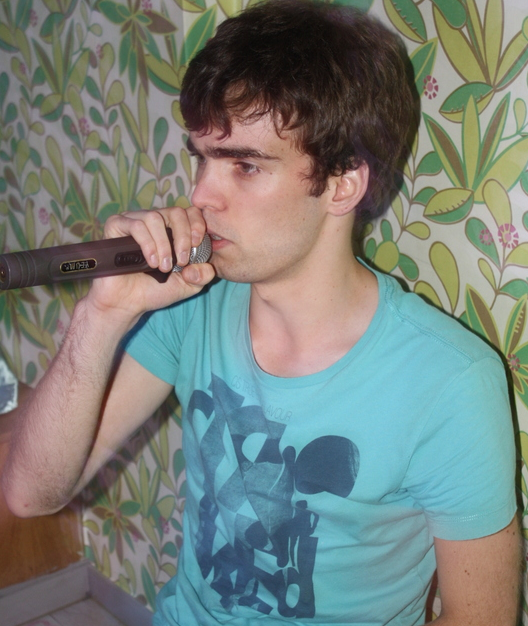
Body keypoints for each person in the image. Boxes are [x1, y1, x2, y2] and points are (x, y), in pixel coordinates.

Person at [2, 1, 520, 625]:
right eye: (202, 157)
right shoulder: (192, 302)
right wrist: (103, 314)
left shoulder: (451, 383)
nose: (200, 195)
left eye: (245, 166)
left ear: (343, 184)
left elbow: (482, 618)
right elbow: (30, 495)